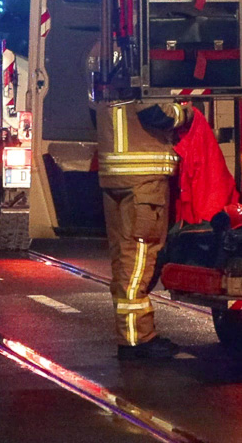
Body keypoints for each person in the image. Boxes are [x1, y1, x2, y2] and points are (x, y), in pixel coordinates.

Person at [95, 91, 192, 360]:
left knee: (123, 258)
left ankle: (130, 333)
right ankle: (138, 338)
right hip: (143, 180)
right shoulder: (138, 65)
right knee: (138, 258)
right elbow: (155, 112)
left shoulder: (102, 66)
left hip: (115, 175)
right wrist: (186, 112)